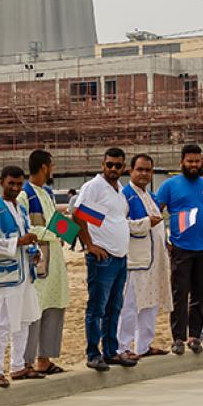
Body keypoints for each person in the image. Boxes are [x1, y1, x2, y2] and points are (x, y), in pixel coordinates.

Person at [156, 143, 203, 355]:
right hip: (181, 248)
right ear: (182, 162)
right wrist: (164, 241)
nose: (194, 165)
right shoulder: (169, 185)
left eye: (197, 161)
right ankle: (178, 337)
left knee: (199, 293)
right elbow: (156, 214)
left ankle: (195, 336)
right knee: (179, 294)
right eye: (190, 161)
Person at [0, 165, 42, 385]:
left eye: (18, 184)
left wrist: (36, 253)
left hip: (25, 274)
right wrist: (18, 242)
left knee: (24, 321)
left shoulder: (21, 210)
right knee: (3, 323)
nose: (15, 188)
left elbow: (26, 237)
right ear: (1, 182)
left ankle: (17, 366)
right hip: (4, 277)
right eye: (11, 183)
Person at [75, 148, 134, 371]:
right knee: (97, 308)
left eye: (117, 166)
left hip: (119, 257)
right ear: (103, 164)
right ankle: (93, 353)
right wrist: (90, 244)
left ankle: (110, 351)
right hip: (102, 257)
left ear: (123, 167)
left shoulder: (119, 190)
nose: (113, 169)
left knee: (114, 307)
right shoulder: (94, 187)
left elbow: (107, 219)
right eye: (109, 165)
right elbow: (79, 215)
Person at [118, 153, 172, 357]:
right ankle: (122, 347)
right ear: (130, 171)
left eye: (148, 170)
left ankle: (144, 346)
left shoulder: (150, 196)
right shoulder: (125, 195)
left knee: (150, 303)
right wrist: (146, 223)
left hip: (155, 259)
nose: (144, 174)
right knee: (130, 305)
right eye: (140, 169)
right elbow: (120, 225)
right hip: (135, 260)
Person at [20, 149, 69, 376]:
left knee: (54, 306)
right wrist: (52, 234)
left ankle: (45, 359)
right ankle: (26, 361)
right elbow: (25, 227)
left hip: (56, 260)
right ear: (44, 167)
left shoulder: (47, 193)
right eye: (52, 166)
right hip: (38, 260)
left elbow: (56, 223)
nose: (53, 170)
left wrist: (70, 232)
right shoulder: (24, 194)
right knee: (34, 310)